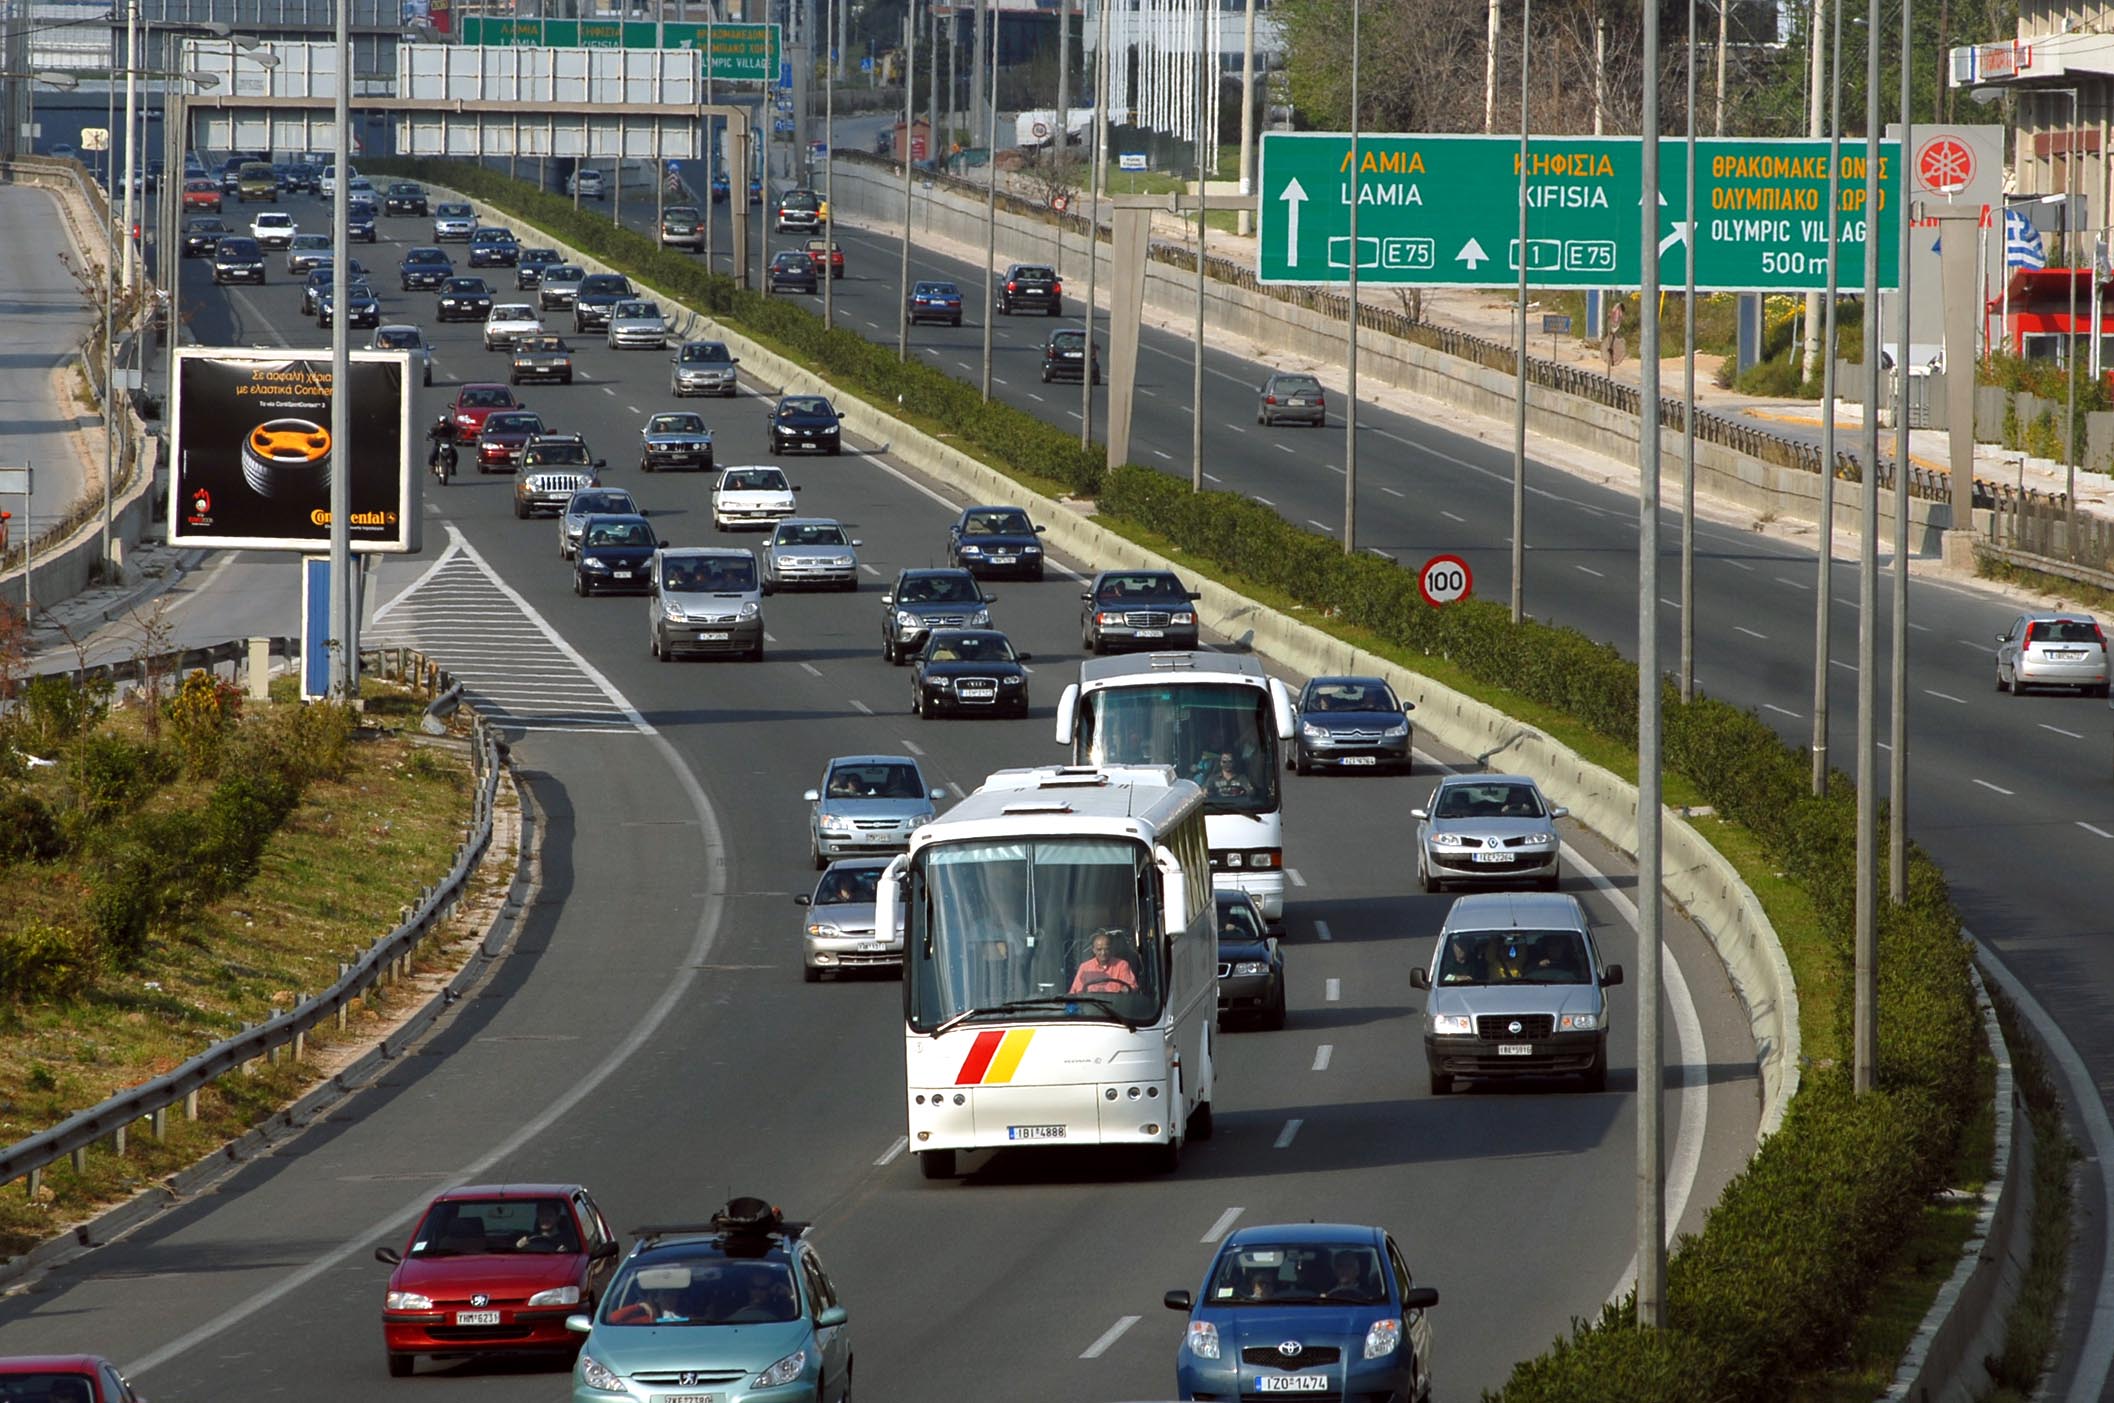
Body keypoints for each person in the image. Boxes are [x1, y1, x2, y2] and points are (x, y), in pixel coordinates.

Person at [1069, 930, 1137, 994]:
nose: (1103, 953)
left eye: (1106, 949)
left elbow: (1132, 986)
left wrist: (1124, 990)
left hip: (1117, 1005)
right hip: (1090, 1005)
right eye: (1099, 949)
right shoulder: (1085, 967)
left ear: (1111, 948)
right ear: (1093, 950)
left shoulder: (1122, 965)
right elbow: (1075, 992)